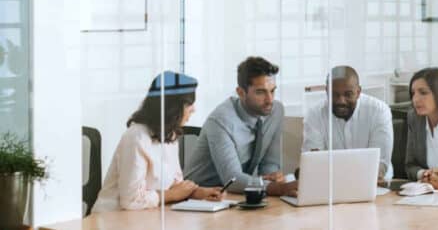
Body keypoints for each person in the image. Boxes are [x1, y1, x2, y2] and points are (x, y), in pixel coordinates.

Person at [92, 72, 223, 212]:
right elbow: (131, 201)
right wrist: (171, 195)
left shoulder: (169, 136)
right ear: (172, 107)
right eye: (189, 104)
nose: (193, 109)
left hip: (147, 217)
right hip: (114, 219)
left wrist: (197, 192)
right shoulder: (136, 137)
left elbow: (176, 185)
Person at [186, 56, 297, 196]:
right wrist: (277, 188)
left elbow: (270, 163)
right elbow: (232, 180)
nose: (270, 100)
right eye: (260, 92)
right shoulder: (221, 121)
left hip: (238, 195)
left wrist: (273, 178)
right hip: (200, 197)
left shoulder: (275, 111)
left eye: (272, 91)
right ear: (241, 92)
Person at [302, 65, 394, 182]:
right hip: (331, 185)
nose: (341, 101)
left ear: (358, 92)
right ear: (326, 91)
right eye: (335, 94)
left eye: (348, 94)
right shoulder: (314, 114)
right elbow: (313, 163)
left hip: (375, 184)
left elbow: (379, 164)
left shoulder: (379, 110)